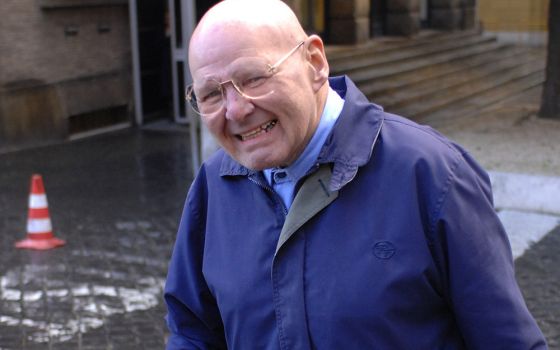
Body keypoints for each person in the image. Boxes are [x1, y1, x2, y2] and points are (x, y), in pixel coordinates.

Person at [164, 0, 548, 348]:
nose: (236, 110)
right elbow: (193, 332)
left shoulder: (432, 175)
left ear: (314, 62)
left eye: (253, 78)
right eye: (212, 94)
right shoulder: (213, 185)